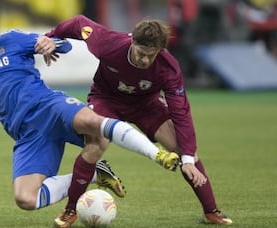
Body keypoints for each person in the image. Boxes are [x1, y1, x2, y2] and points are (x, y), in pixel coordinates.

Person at [0, 5, 180, 228]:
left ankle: (156, 154)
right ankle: (95, 174)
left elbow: (64, 45)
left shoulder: (10, 40)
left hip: (49, 107)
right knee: (25, 199)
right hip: (29, 137)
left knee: (95, 126)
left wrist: (52, 45)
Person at [46, 15, 233, 225]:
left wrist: (188, 159)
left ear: (160, 50)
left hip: (146, 105)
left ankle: (211, 211)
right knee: (96, 146)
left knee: (184, 149)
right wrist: (51, 38)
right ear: (132, 41)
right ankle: (70, 210)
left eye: (150, 56)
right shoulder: (108, 43)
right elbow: (78, 23)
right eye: (141, 53)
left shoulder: (169, 68)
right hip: (106, 99)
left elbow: (181, 112)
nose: (145, 60)